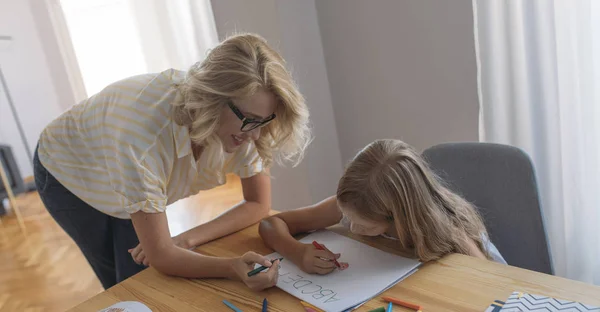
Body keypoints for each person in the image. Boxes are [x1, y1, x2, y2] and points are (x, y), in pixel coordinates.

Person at [33, 33, 310, 291]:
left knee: (144, 271)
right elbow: (162, 256)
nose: (257, 134)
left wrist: (185, 239)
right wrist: (231, 267)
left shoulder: (247, 121)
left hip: (121, 159)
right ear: (213, 100)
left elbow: (257, 204)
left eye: (265, 121)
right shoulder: (144, 138)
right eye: (251, 120)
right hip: (70, 174)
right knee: (129, 287)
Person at [259, 139, 505, 275]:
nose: (351, 227)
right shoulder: (357, 203)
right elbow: (270, 223)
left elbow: (489, 288)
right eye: (347, 216)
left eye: (364, 225)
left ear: (398, 217)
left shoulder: (450, 234)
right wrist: (298, 253)